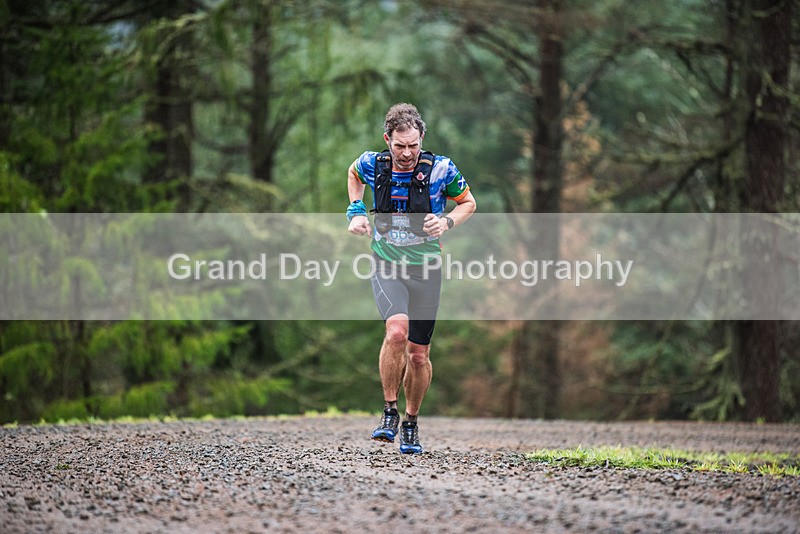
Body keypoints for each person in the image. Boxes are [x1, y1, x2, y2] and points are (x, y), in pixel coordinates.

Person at [346, 103, 476, 454]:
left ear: (422, 139)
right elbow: (353, 174)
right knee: (397, 332)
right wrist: (356, 213)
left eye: (413, 146)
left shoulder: (441, 170)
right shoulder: (373, 164)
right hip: (387, 261)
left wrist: (447, 221)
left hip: (426, 268)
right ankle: (389, 411)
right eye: (399, 146)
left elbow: (468, 203)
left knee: (419, 355)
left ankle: (411, 422)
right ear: (387, 139)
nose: (406, 154)